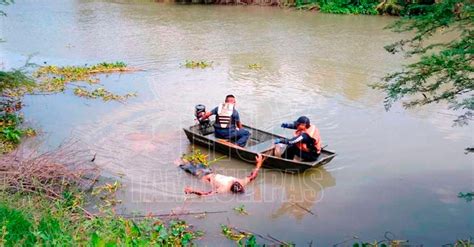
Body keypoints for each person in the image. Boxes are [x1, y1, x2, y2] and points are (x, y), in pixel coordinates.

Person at [181, 154, 264, 196]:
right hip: (208, 171)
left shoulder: (223, 189)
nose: (236, 184)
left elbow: (207, 194)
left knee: (182, 164)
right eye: (238, 185)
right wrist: (259, 163)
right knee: (189, 162)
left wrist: (193, 191)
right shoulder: (241, 182)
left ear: (232, 191)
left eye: (235, 187)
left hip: (200, 175)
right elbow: (253, 176)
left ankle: (177, 160)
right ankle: (183, 160)